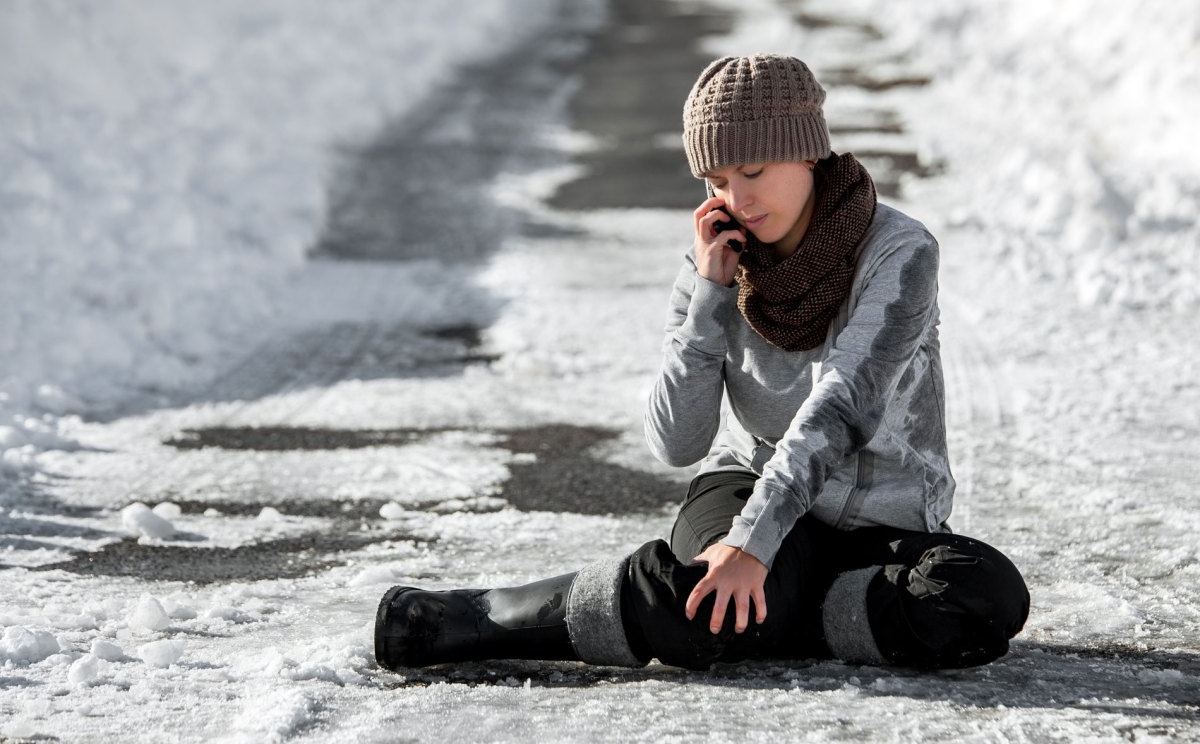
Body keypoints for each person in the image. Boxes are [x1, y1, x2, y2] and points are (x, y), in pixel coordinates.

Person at [374, 54, 1029, 672]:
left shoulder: (900, 252)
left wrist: (750, 552)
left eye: (753, 172)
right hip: (745, 487)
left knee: (979, 596)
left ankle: (774, 611)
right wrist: (711, 297)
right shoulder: (717, 259)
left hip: (880, 527)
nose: (737, 199)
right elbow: (678, 441)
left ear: (807, 151)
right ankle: (487, 617)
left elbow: (840, 408)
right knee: (709, 602)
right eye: (717, 181)